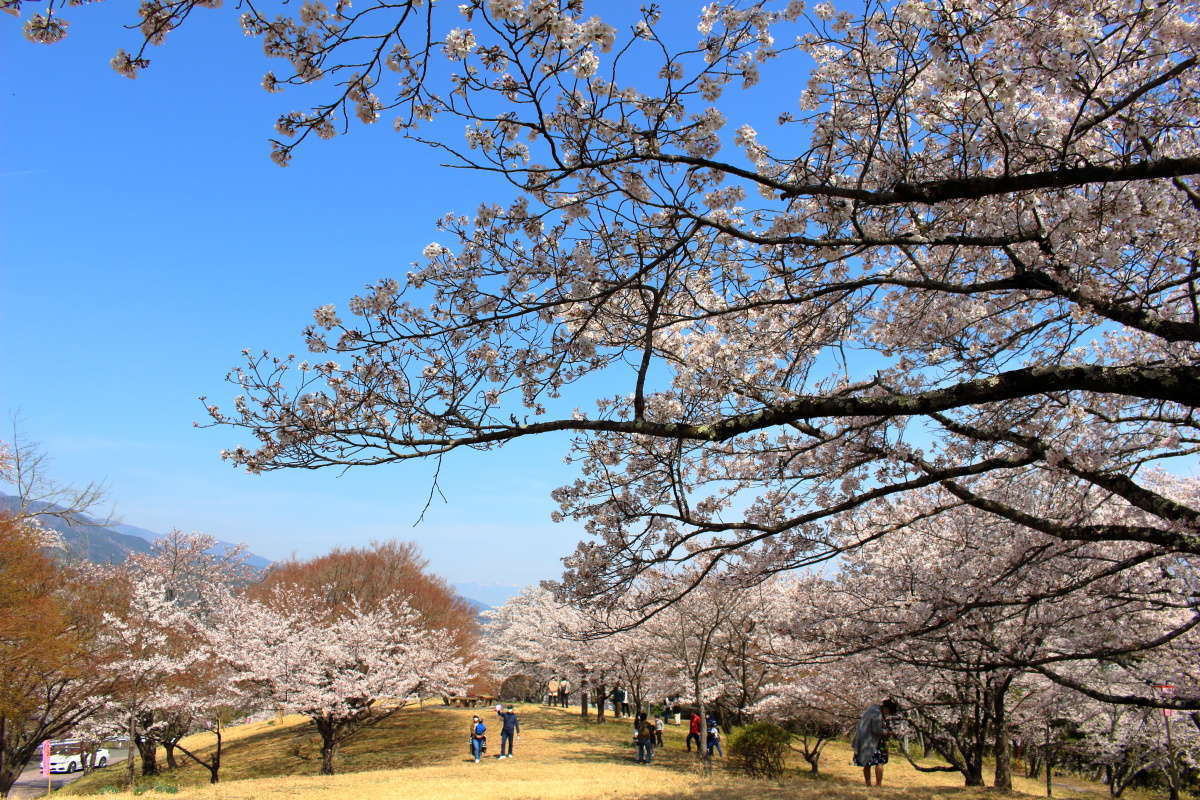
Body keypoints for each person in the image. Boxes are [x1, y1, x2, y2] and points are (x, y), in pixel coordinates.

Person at [852, 699, 899, 787]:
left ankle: (868, 784)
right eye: (888, 712)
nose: (887, 714)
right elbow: (876, 730)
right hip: (873, 742)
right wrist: (888, 732)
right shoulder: (877, 714)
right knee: (879, 762)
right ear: (887, 708)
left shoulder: (872, 708)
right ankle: (878, 784)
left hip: (863, 740)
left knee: (867, 763)